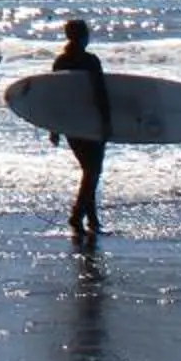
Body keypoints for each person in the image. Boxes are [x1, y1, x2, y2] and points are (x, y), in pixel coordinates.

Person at [49, 17, 113, 238]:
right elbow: (100, 92)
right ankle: (77, 215)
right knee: (93, 170)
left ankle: (91, 219)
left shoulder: (60, 62)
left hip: (70, 123)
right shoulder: (90, 61)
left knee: (89, 170)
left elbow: (54, 96)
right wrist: (106, 121)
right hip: (90, 121)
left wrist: (54, 128)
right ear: (83, 36)